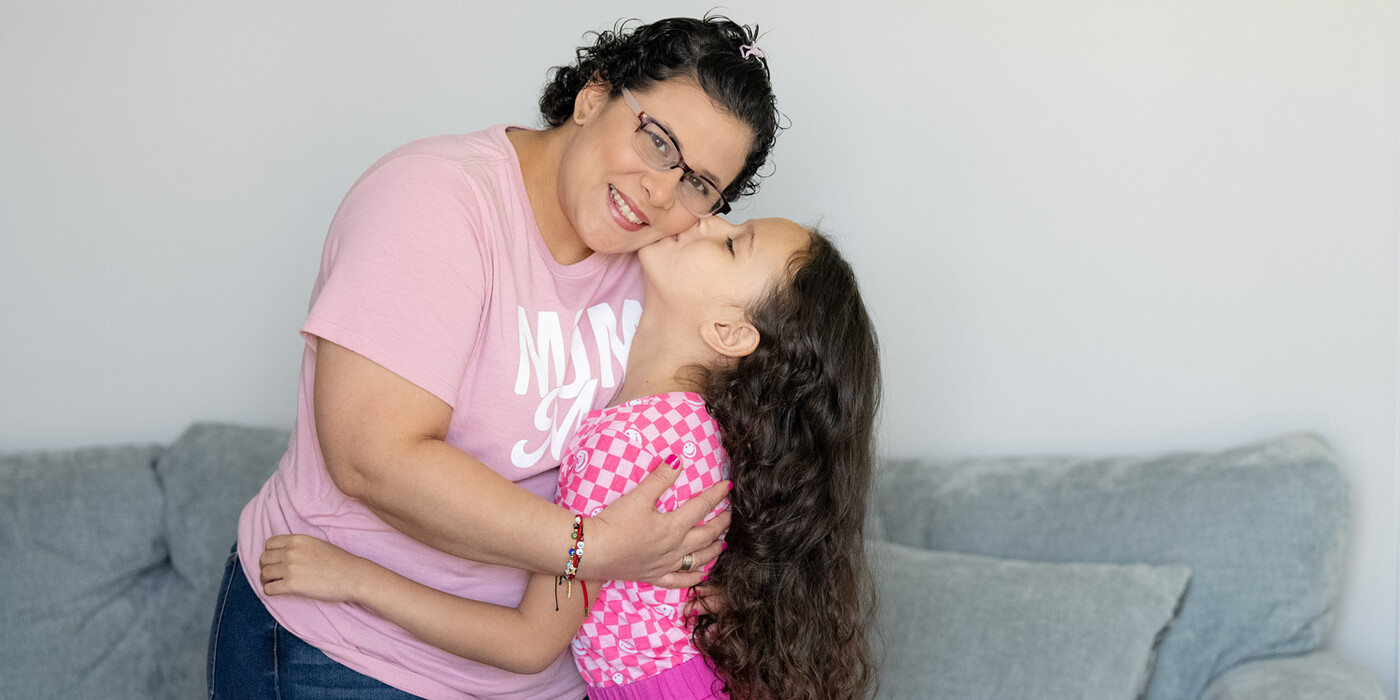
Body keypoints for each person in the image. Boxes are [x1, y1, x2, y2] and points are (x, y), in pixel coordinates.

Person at [208, 16, 782, 700]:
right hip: (346, 652)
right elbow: (371, 458)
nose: (662, 191)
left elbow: (771, 406)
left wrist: (727, 580)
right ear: (594, 96)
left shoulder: (667, 268)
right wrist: (593, 547)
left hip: (550, 675)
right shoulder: (435, 202)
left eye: (699, 184)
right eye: (658, 141)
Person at [260, 217, 881, 700]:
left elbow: (530, 643)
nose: (707, 218)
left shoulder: (629, 445)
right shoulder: (696, 430)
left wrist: (354, 578)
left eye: (730, 244)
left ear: (730, 332)